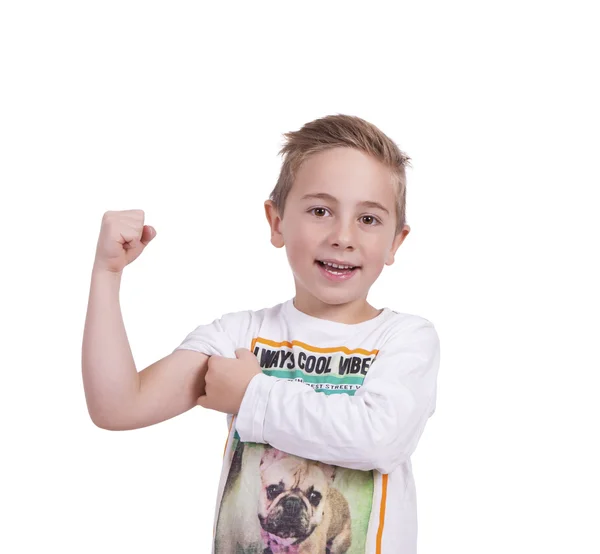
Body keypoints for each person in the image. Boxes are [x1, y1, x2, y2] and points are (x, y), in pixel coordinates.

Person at [82, 114, 441, 554]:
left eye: (368, 219)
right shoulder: (240, 335)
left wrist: (252, 395)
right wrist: (107, 273)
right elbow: (118, 406)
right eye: (320, 211)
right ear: (276, 222)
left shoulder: (405, 338)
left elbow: (379, 439)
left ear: (395, 243)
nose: (343, 236)